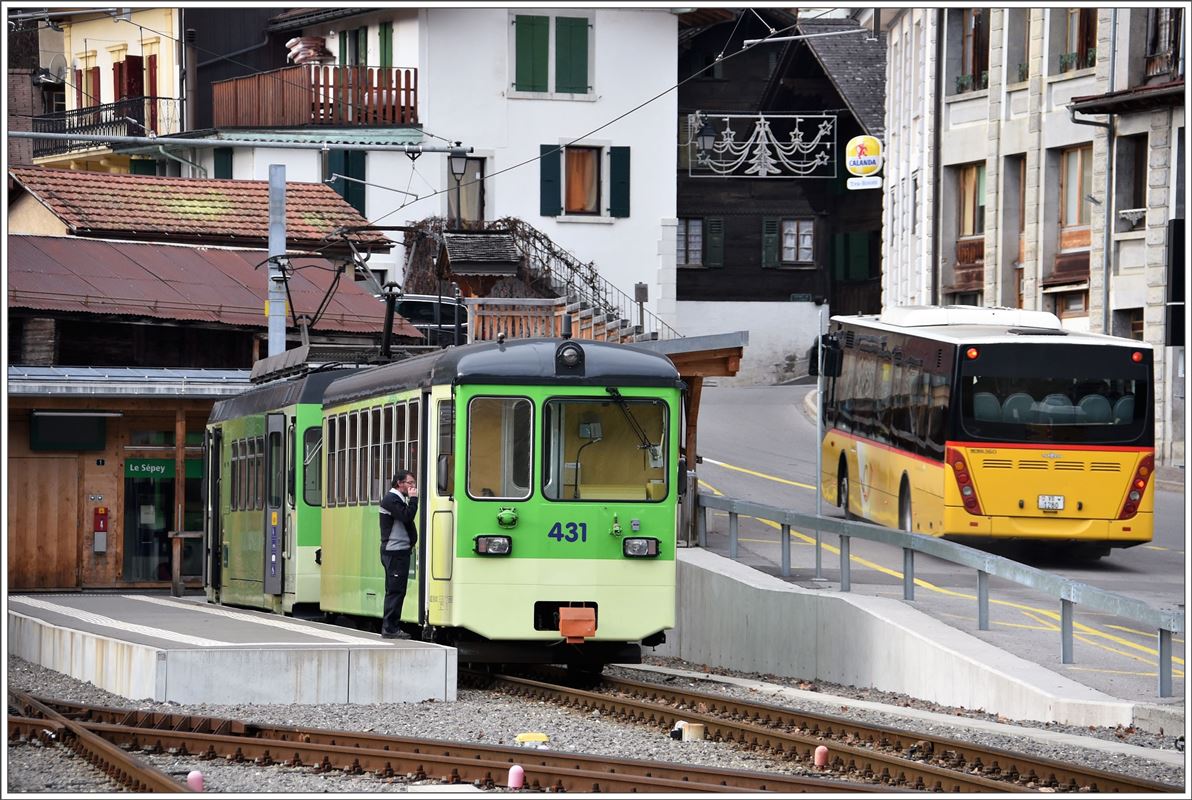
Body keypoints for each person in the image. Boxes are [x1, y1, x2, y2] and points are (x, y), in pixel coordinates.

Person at [378, 469, 418, 639]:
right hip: (394, 552)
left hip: (399, 552)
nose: (413, 487)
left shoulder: (398, 499)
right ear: (399, 483)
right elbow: (406, 516)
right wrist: (414, 499)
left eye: (414, 483)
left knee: (397, 590)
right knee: (395, 591)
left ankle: (392, 627)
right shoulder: (391, 499)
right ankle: (390, 628)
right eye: (410, 483)